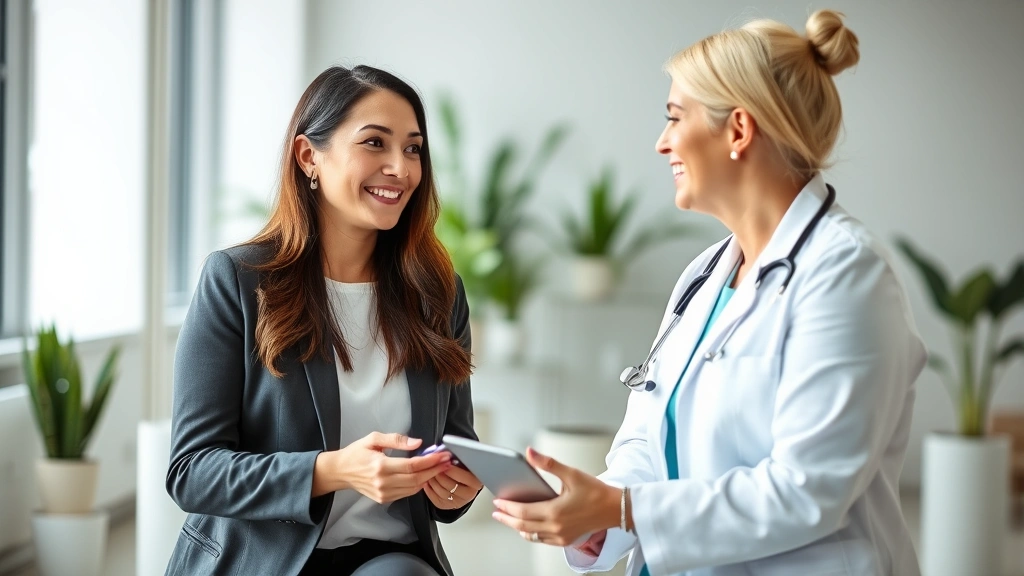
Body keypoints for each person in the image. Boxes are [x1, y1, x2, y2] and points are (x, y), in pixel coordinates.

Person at [491, 10, 926, 576]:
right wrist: (599, 514)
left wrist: (625, 507)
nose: (661, 143)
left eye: (674, 118)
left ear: (739, 131)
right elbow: (650, 433)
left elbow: (807, 490)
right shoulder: (706, 273)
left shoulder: (847, 275)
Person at [165, 65, 483, 576]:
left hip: (390, 559)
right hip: (265, 559)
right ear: (309, 156)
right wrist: (331, 471)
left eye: (413, 148)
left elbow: (455, 450)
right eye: (375, 143)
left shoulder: (438, 294)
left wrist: (454, 491)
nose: (400, 168)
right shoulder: (238, 281)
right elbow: (192, 472)